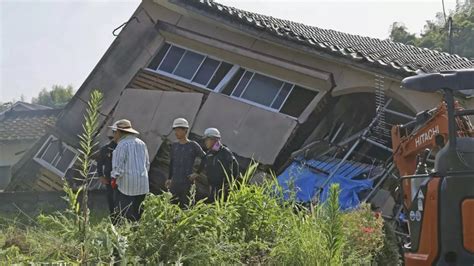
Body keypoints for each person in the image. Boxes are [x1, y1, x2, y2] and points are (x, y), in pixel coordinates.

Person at [110, 119, 150, 221]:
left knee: (126, 212)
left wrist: (114, 179)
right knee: (139, 213)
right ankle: (138, 233)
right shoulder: (142, 143)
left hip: (127, 185)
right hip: (142, 183)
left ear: (119, 132)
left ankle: (128, 234)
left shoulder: (122, 145)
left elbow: (118, 167)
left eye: (114, 132)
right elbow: (147, 164)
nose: (113, 135)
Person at [166, 118, 205, 208]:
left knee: (185, 207)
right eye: (175, 130)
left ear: (185, 130)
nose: (176, 132)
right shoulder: (174, 146)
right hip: (175, 182)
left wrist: (197, 173)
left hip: (187, 182)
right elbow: (172, 162)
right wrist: (169, 178)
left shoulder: (193, 145)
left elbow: (205, 158)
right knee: (171, 206)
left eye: (179, 130)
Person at [198, 128, 239, 203]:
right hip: (213, 188)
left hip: (224, 190)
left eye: (207, 140)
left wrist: (228, 186)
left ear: (214, 139)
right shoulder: (209, 154)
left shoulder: (225, 153)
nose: (205, 142)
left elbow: (235, 170)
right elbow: (204, 164)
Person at [97, 133, 117, 218]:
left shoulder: (122, 148)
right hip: (109, 178)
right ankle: (113, 217)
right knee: (111, 198)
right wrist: (101, 176)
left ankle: (120, 218)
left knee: (120, 199)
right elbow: (99, 164)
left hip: (120, 177)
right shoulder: (105, 149)